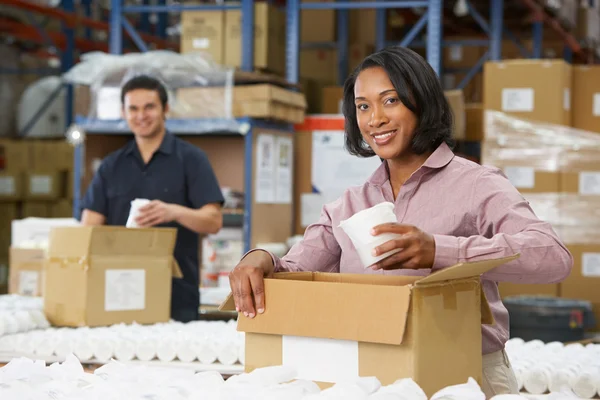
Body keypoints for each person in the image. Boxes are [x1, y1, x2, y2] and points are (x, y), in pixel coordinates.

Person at [228, 47, 573, 398]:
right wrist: (261, 259)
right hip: (373, 376)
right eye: (363, 106)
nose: (375, 118)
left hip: (466, 373)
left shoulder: (477, 185)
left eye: (390, 100)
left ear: (421, 101)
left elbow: (552, 257)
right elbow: (294, 272)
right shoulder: (348, 205)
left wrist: (440, 251)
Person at [81, 75, 225, 323]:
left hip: (176, 294)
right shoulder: (111, 166)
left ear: (165, 109)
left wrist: (174, 212)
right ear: (123, 112)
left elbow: (213, 221)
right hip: (117, 292)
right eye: (133, 108)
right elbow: (89, 227)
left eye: (149, 107)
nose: (141, 116)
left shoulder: (191, 159)